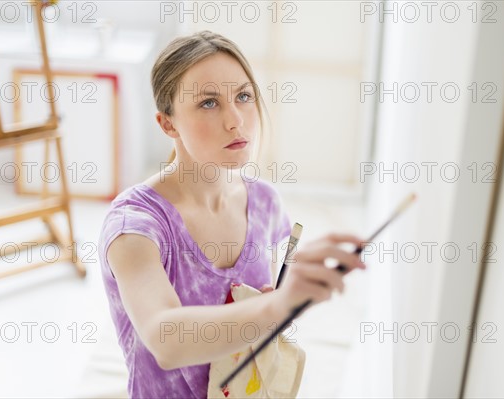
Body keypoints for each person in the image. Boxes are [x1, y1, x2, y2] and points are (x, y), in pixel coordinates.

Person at [98, 30, 367, 399]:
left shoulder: (265, 203)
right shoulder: (136, 227)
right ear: (168, 124)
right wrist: (276, 305)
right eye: (209, 103)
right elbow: (165, 338)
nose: (236, 120)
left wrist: (283, 300)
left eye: (243, 96)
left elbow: (260, 315)